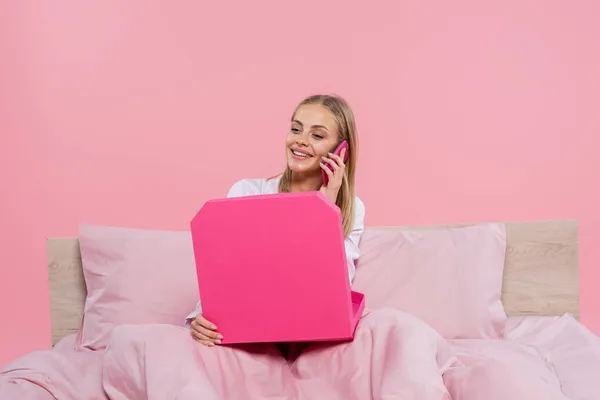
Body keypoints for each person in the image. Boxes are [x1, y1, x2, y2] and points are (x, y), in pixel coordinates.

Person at [185, 94, 366, 347]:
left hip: (312, 338)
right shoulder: (247, 191)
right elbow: (224, 272)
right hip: (244, 335)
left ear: (340, 151)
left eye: (317, 135)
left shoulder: (351, 209)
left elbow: (334, 289)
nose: (300, 141)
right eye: (296, 129)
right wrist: (201, 318)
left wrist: (323, 207)